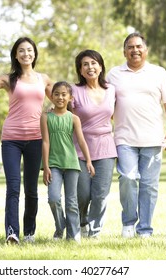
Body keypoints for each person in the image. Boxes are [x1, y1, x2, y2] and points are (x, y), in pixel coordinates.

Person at [106, 32, 166, 238]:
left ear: (145, 50)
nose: (134, 50)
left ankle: (144, 229)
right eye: (130, 47)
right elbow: (105, 104)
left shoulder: (159, 73)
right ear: (124, 51)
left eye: (139, 47)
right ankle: (128, 223)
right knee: (127, 178)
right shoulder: (113, 74)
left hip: (153, 139)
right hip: (124, 138)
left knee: (149, 186)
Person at [0, 37, 53, 244]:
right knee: (13, 187)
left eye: (29, 50)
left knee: (31, 189)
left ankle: (29, 232)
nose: (26, 54)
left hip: (36, 139)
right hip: (11, 139)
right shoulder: (7, 79)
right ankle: (12, 232)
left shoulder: (43, 79)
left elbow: (62, 99)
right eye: (21, 50)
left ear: (35, 54)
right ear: (16, 55)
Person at [41, 81, 95, 242]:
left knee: (71, 201)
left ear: (70, 98)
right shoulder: (45, 117)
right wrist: (45, 166)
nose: (60, 97)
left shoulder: (74, 118)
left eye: (64, 94)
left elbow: (82, 141)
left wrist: (89, 162)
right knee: (53, 198)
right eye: (56, 94)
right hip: (53, 164)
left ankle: (73, 235)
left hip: (71, 163)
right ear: (52, 97)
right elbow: (45, 142)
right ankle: (60, 227)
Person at [71, 50, 117, 238]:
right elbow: (63, 112)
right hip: (79, 148)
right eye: (85, 64)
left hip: (106, 147)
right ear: (80, 70)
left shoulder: (111, 90)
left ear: (100, 67)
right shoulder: (74, 91)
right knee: (82, 194)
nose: (90, 67)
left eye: (94, 63)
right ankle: (82, 222)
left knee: (100, 195)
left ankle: (94, 231)